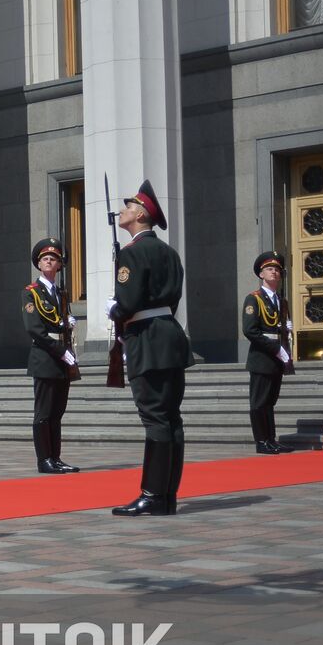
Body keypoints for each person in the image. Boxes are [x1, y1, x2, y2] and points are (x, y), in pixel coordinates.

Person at [107, 179, 193, 516]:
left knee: (155, 418)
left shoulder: (132, 252)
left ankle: (152, 494)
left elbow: (127, 302)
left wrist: (113, 308)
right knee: (171, 418)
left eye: (128, 207)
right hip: (169, 335)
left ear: (141, 215)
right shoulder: (169, 253)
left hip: (147, 338)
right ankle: (167, 495)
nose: (123, 211)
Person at [21, 237, 81, 473]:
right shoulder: (31, 293)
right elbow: (34, 329)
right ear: (39, 264)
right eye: (45, 258)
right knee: (44, 413)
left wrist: (68, 323)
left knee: (57, 412)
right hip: (45, 358)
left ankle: (55, 458)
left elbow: (60, 322)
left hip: (62, 358)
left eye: (53, 258)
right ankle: (44, 459)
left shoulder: (61, 293)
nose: (49, 261)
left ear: (59, 265)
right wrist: (61, 351)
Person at [242, 251, 294, 454]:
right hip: (262, 357)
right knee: (259, 402)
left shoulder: (281, 301)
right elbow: (250, 331)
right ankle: (261, 441)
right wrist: (276, 348)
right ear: (261, 274)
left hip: (277, 357)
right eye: (270, 269)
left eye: (278, 269)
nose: (275, 272)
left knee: (270, 401)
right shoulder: (254, 299)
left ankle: (271, 439)